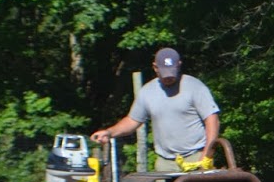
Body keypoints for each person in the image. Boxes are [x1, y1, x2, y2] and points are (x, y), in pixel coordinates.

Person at [93, 47, 221, 172]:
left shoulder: (195, 87)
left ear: (179, 65)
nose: (168, 77)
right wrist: (109, 132)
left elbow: (212, 120)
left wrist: (207, 155)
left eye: (172, 71)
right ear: (155, 67)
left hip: (195, 156)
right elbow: (132, 121)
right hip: (165, 161)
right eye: (164, 72)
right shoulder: (147, 92)